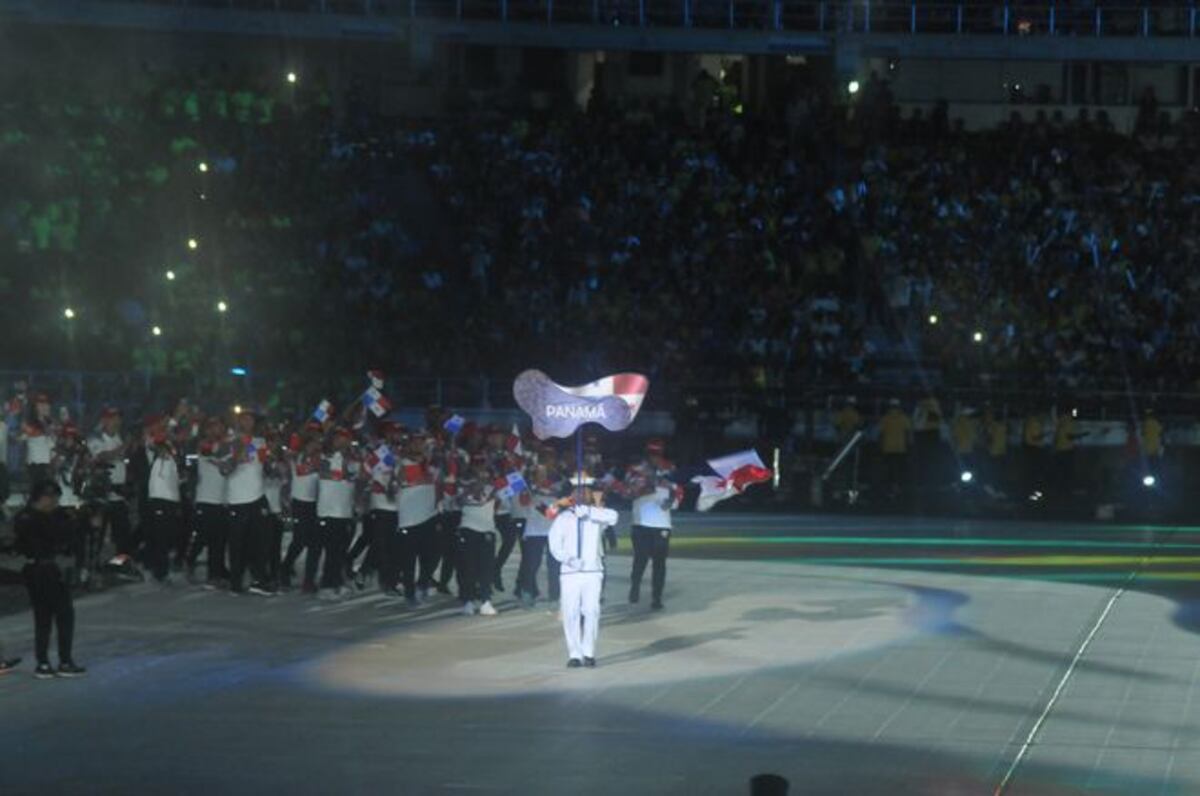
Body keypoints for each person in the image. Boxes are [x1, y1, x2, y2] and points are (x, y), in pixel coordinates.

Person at [14, 480, 86, 679]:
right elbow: (53, 535)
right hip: (42, 568)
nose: (55, 502)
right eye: (52, 498)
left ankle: (47, 662)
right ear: (44, 498)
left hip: (44, 568)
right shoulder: (31, 518)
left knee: (49, 616)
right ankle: (58, 661)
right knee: (58, 615)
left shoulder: (33, 516)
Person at [548, 474, 618, 668]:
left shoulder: (597, 515)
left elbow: (613, 517)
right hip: (571, 572)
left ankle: (589, 652)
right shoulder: (563, 518)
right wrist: (569, 559)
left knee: (592, 611)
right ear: (572, 494)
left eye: (586, 491)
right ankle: (574, 653)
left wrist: (588, 511)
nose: (582, 494)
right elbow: (554, 545)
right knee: (570, 612)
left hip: (593, 571)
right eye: (578, 491)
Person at [627, 439, 680, 611]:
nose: (654, 457)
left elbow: (677, 493)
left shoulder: (671, 469)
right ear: (647, 453)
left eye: (658, 453)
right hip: (641, 522)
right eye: (652, 453)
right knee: (640, 559)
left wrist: (671, 502)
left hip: (662, 524)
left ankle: (656, 597)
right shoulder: (636, 470)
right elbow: (628, 492)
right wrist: (650, 483)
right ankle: (635, 586)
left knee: (660, 563)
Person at [224, 409, 273, 596]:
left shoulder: (260, 442)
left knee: (261, 541)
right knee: (237, 544)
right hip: (237, 499)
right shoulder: (229, 442)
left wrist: (272, 464)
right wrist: (238, 455)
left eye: (251, 419)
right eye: (244, 419)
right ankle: (235, 583)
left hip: (258, 497)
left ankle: (259, 579)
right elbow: (225, 469)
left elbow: (264, 465)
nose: (248, 422)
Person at [316, 427, 359, 600]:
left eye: (345, 439)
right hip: (329, 511)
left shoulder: (351, 459)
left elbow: (355, 476)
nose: (343, 442)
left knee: (340, 550)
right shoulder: (324, 458)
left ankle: (336, 582)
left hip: (344, 510)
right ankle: (327, 585)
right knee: (332, 550)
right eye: (339, 439)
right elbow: (330, 473)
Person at [88, 407, 133, 558]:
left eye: (118, 418)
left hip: (119, 493)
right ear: (104, 420)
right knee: (98, 534)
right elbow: (102, 457)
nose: (117, 421)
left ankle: (120, 563)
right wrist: (124, 446)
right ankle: (94, 564)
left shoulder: (119, 437)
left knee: (123, 533)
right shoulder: (96, 439)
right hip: (102, 493)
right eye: (113, 418)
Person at [281, 422, 321, 592]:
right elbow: (300, 470)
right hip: (300, 503)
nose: (316, 443)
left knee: (315, 545)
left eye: (317, 439)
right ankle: (284, 569)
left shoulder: (319, 458)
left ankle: (309, 581)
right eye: (312, 439)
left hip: (316, 504)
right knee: (299, 541)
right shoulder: (296, 456)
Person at [457, 465, 499, 617]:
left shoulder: (491, 488)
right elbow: (459, 501)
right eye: (478, 473)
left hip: (487, 530)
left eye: (484, 473)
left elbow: (488, 501)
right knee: (468, 567)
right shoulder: (463, 486)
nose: (482, 476)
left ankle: (485, 601)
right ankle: (468, 601)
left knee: (486, 568)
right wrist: (471, 489)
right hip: (468, 529)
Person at [144, 429, 183, 584]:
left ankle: (160, 568)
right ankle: (159, 571)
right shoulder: (156, 456)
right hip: (159, 500)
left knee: (167, 537)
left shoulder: (172, 460)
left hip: (171, 502)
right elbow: (151, 445)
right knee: (160, 537)